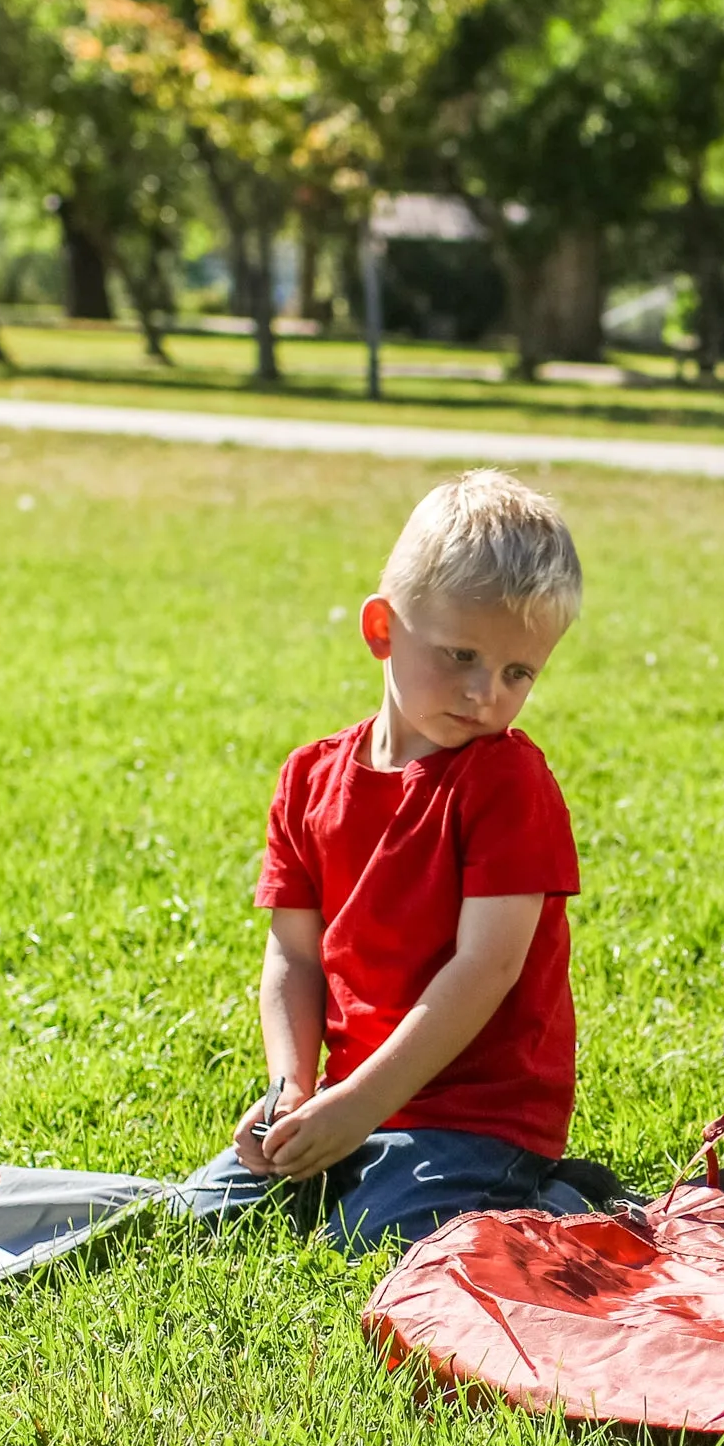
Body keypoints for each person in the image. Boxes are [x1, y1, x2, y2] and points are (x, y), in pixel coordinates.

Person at [182, 469, 604, 1249]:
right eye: (462, 655)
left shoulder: (506, 780)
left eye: (519, 673)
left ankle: (561, 1201)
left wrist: (357, 1109)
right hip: (353, 1102)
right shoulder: (310, 778)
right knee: (201, 1219)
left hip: (480, 1116)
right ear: (382, 629)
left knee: (374, 1240)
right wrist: (292, 1091)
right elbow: (293, 956)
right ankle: (360, 1158)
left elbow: (486, 969)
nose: (486, 694)